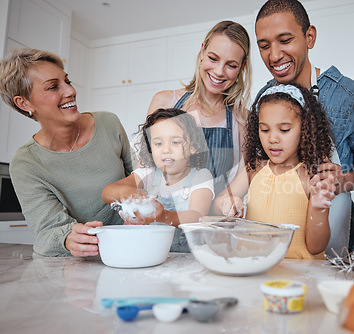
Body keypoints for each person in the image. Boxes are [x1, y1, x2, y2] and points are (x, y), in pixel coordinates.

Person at [254, 0, 354, 256]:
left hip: (335, 251)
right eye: (264, 45)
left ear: (309, 37)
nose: (274, 55)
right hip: (272, 253)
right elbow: (256, 168)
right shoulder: (264, 98)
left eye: (285, 40)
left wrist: (338, 181)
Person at [0, 48, 133, 257]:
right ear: (24, 103)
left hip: (136, 240)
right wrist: (68, 238)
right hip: (86, 260)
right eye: (53, 87)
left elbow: (143, 179)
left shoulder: (109, 124)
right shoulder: (26, 163)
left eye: (67, 81)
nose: (70, 91)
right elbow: (48, 230)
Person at [213, 84, 335, 259]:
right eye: (264, 129)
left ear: (305, 129)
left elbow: (316, 247)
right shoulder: (254, 169)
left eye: (284, 130)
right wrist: (228, 204)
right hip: (254, 268)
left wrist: (318, 208)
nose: (272, 139)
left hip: (296, 275)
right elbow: (218, 204)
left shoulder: (311, 177)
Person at [146, 20, 251, 197]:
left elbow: (243, 177)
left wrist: (224, 206)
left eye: (231, 65)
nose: (219, 71)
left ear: (242, 67)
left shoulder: (242, 118)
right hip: (163, 217)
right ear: (202, 51)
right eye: (213, 58)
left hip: (215, 221)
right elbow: (145, 168)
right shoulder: (164, 101)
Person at [102, 108, 214, 252]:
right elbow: (107, 192)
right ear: (150, 148)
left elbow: (197, 216)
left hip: (186, 259)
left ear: (193, 147)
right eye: (158, 143)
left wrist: (163, 216)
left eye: (175, 142)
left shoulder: (201, 177)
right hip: (149, 254)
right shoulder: (147, 174)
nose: (166, 149)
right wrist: (130, 195)